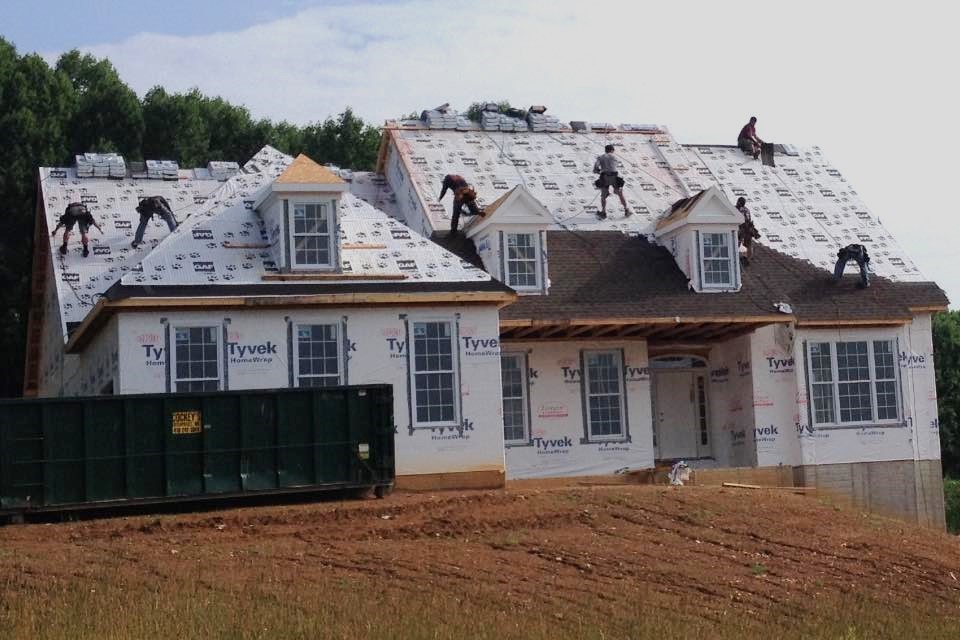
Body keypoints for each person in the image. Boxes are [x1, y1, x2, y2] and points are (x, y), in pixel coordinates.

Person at [593, 144, 631, 219]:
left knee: (603, 196)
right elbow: (614, 166)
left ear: (605, 150)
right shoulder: (615, 157)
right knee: (620, 194)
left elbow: (596, 167)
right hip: (614, 177)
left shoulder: (601, 157)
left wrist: (597, 171)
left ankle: (603, 212)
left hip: (605, 177)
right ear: (612, 150)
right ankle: (626, 210)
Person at [735, 197, 761, 262]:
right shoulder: (747, 210)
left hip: (741, 229)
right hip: (748, 229)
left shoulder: (736, 209)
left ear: (738, 202)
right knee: (748, 245)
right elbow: (749, 219)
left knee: (736, 243)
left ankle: (735, 256)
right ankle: (748, 259)